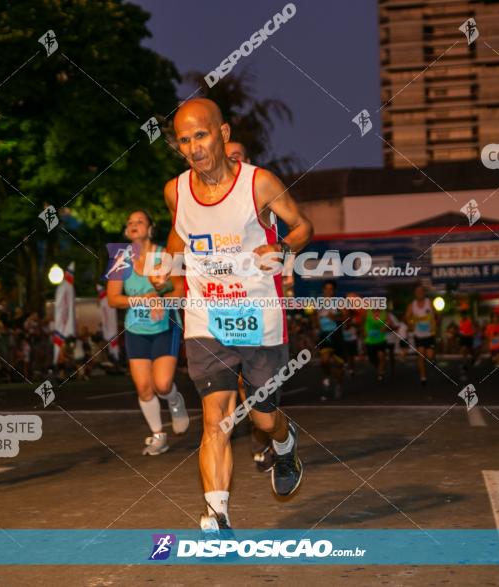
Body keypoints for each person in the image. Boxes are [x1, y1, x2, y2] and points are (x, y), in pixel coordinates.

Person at [163, 99, 313, 535]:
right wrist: (171, 264)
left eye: (202, 136)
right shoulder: (176, 190)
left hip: (258, 314)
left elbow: (303, 226)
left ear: (223, 134)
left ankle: (283, 444)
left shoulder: (259, 184)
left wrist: (283, 249)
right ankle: (217, 513)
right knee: (216, 418)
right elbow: (179, 231)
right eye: (185, 141)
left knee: (263, 416)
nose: (194, 148)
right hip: (206, 316)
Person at [106, 210, 189, 455]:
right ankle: (158, 435)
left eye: (140, 221)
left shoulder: (163, 255)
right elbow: (113, 298)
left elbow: (180, 291)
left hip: (165, 326)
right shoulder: (121, 258)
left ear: (150, 228)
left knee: (162, 385)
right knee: (144, 387)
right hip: (136, 329)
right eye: (130, 222)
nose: (134, 225)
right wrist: (141, 299)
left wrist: (159, 299)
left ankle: (174, 400)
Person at [225, 140, 274, 472]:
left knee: (253, 383)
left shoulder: (261, 192)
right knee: (228, 381)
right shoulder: (210, 204)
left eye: (236, 156)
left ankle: (265, 436)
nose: (229, 161)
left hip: (258, 301)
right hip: (222, 301)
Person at [314, 280, 345, 400]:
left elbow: (346, 317)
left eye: (331, 289)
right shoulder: (318, 302)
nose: (328, 291)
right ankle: (327, 377)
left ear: (334, 291)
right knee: (324, 360)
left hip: (336, 334)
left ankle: (338, 384)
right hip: (324, 335)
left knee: (338, 365)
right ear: (323, 290)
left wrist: (336, 317)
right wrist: (316, 328)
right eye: (326, 288)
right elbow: (315, 317)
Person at [406, 285, 438, 386]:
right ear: (415, 294)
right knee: (421, 356)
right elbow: (407, 317)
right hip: (418, 335)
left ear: (424, 293)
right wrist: (410, 324)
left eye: (421, 291)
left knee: (430, 355)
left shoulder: (429, 302)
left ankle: (433, 357)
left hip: (429, 334)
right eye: (417, 292)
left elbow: (437, 314)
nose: (419, 293)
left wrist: (436, 322)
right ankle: (423, 377)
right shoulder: (412, 305)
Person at [364, 307, 388, 381]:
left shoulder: (384, 313)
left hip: (381, 339)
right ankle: (380, 367)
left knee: (381, 356)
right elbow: (361, 323)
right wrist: (363, 333)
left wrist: (385, 327)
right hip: (370, 340)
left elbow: (388, 323)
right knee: (372, 359)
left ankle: (380, 373)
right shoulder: (367, 312)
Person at [458, 309, 477, 376]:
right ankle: (464, 364)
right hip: (463, 338)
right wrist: (461, 333)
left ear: (466, 315)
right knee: (463, 350)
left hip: (469, 337)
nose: (463, 316)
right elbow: (460, 330)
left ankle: (473, 358)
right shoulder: (460, 322)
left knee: (470, 350)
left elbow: (473, 329)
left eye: (464, 315)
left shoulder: (469, 321)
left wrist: (471, 334)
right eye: (462, 315)